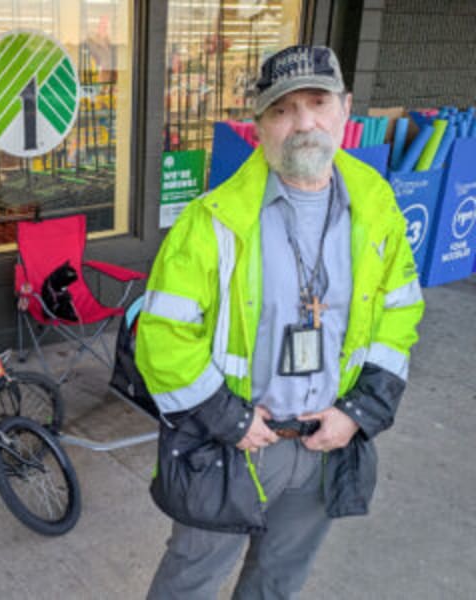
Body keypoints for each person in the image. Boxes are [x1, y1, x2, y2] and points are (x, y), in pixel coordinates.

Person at [136, 45, 425, 599]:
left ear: (345, 108)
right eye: (282, 110)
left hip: (324, 444)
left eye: (316, 103)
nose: (303, 123)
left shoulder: (378, 208)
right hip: (233, 447)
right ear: (260, 126)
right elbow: (163, 339)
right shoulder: (210, 222)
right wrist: (230, 419)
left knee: (278, 584)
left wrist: (358, 412)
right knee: (189, 584)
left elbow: (399, 314)